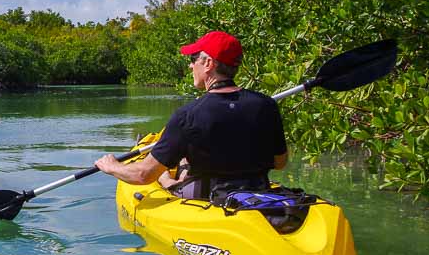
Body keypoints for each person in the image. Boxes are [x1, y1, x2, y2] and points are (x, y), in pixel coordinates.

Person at [95, 31, 288, 201]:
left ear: (208, 63)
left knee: (164, 178)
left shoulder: (188, 115)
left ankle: (168, 180)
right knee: (182, 164)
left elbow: (143, 175)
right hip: (258, 192)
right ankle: (172, 175)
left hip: (208, 200)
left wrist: (111, 166)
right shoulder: (266, 105)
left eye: (193, 58)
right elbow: (280, 163)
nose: (190, 66)